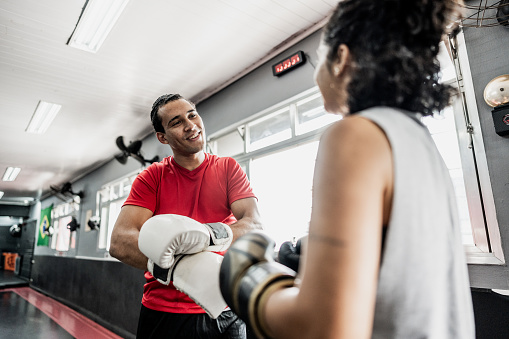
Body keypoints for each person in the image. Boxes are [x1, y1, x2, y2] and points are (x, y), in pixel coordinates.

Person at [219, 0, 475, 338]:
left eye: (319, 57)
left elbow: (322, 328)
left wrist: (248, 277)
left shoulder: (355, 135)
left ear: (340, 59)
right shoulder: (416, 141)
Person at [109, 93, 262, 339]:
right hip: (165, 312)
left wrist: (207, 236)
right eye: (176, 122)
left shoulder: (227, 168)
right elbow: (119, 241)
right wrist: (179, 268)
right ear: (162, 137)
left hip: (225, 307)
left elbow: (254, 224)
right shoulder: (152, 177)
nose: (190, 125)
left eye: (192, 115)